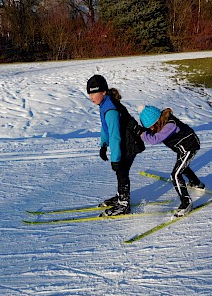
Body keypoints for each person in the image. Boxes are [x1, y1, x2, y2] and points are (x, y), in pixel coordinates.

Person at [131, 105, 205, 217]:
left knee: (175, 175)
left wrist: (141, 133)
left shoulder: (170, 125)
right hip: (182, 148)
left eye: (152, 127)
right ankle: (196, 183)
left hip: (190, 147)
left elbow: (154, 139)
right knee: (182, 167)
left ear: (157, 121)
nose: (151, 129)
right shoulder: (161, 122)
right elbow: (149, 132)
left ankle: (186, 203)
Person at [86, 75, 144, 216]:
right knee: (120, 171)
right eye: (89, 93)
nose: (91, 97)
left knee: (122, 171)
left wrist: (115, 159)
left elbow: (115, 136)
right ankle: (120, 197)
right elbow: (105, 128)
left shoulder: (110, 108)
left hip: (130, 142)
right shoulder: (105, 104)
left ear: (104, 92)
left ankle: (124, 204)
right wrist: (103, 145)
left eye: (94, 93)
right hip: (124, 141)